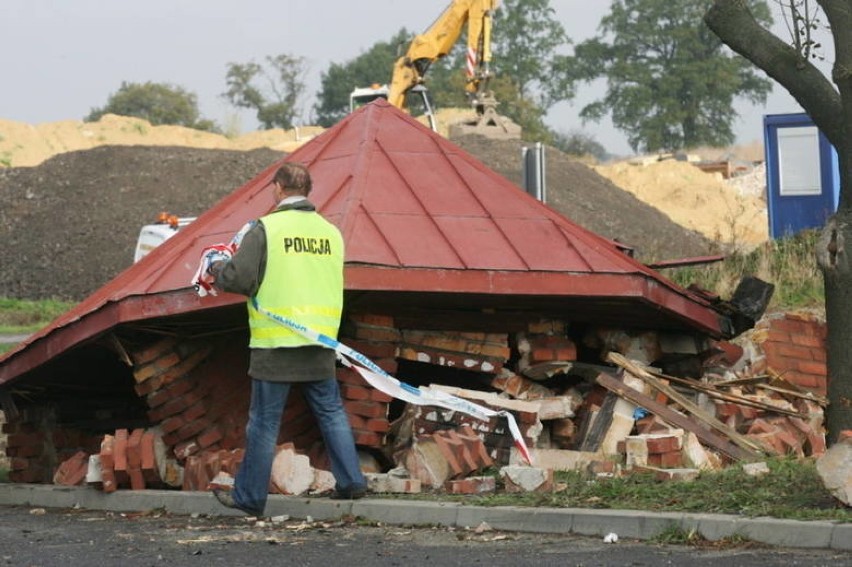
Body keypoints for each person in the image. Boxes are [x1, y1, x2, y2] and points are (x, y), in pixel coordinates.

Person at [209, 162, 367, 516]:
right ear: (307, 190)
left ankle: (249, 497)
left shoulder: (267, 228)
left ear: (278, 188)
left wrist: (217, 268)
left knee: (264, 423)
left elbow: (239, 279)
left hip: (276, 344)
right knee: (331, 412)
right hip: (320, 341)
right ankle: (352, 482)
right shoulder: (330, 232)